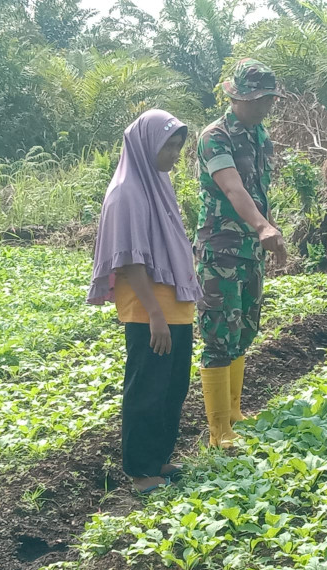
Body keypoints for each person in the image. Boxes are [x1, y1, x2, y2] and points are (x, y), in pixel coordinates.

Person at [87, 109, 202, 494]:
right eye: (167, 145)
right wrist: (155, 315)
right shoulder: (126, 193)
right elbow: (129, 260)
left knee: (172, 388)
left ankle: (159, 459)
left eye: (177, 146)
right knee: (147, 388)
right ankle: (140, 472)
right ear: (144, 145)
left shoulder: (158, 184)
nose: (173, 154)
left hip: (176, 306)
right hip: (149, 310)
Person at [194, 58, 287, 447]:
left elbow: (260, 189)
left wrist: (263, 232)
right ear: (239, 98)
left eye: (269, 99)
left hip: (250, 250)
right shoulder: (215, 136)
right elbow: (233, 188)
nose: (266, 106)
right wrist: (264, 226)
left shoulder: (258, 135)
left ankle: (233, 411)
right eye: (260, 99)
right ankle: (219, 431)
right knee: (219, 333)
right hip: (221, 249)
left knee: (245, 328)